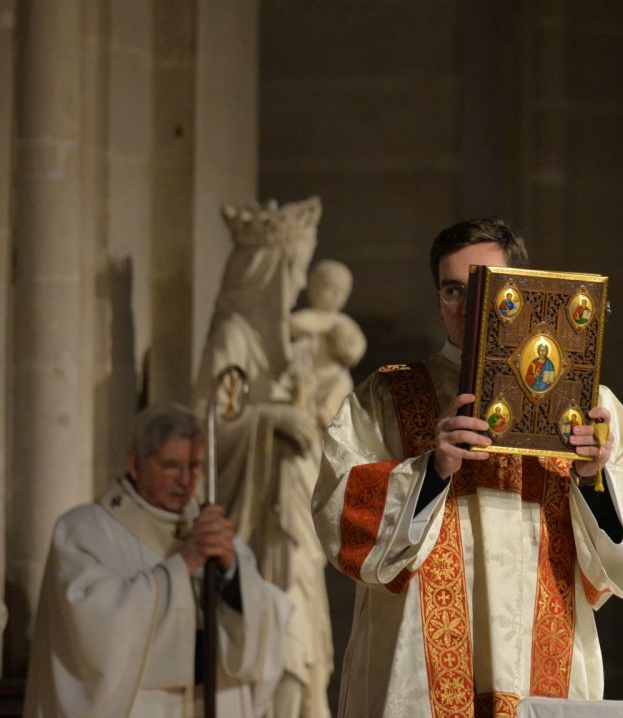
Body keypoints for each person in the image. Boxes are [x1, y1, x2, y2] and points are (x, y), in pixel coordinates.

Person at [311, 216, 623, 717]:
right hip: (417, 671)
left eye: (486, 287)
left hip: (543, 673)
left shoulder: (590, 405)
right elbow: (340, 516)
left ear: (521, 288)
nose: (468, 308)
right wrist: (432, 470)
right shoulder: (387, 396)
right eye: (453, 291)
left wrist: (594, 481)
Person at [23, 402, 291, 718]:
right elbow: (92, 631)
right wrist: (183, 566)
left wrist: (231, 568)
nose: (187, 481)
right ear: (135, 464)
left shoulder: (210, 530)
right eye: (172, 466)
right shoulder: (83, 532)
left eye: (195, 467)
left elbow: (266, 617)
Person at [194, 198, 333, 718]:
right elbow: (207, 428)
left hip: (294, 516)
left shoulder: (283, 348)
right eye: (294, 270)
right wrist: (271, 419)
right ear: (269, 274)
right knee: (280, 646)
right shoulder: (233, 337)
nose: (298, 287)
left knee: (305, 649)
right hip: (257, 523)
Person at [289, 258, 368, 426]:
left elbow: (358, 345)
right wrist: (322, 331)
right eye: (330, 289)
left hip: (332, 375)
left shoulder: (343, 322)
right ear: (314, 288)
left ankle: (327, 412)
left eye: (342, 292)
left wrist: (347, 348)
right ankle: (304, 404)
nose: (336, 296)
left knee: (343, 381)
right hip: (310, 375)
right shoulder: (309, 317)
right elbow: (291, 325)